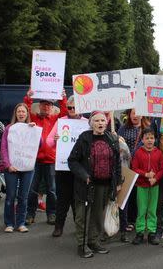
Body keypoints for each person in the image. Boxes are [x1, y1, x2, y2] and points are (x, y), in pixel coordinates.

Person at [67, 112, 122, 258]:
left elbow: (117, 162)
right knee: (83, 216)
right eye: (97, 120)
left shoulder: (111, 138)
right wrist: (84, 175)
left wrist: (117, 182)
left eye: (103, 120)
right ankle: (82, 244)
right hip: (86, 184)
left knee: (98, 215)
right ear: (91, 123)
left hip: (104, 185)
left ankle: (94, 241)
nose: (100, 123)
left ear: (106, 122)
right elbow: (72, 161)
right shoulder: (84, 138)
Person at [23, 90, 68, 225]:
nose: (46, 107)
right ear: (39, 106)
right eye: (43, 104)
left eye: (49, 105)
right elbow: (24, 109)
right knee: (32, 190)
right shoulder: (33, 118)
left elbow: (65, 112)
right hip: (35, 160)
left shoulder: (56, 120)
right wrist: (28, 97)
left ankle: (52, 214)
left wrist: (63, 97)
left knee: (52, 190)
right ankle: (30, 214)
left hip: (51, 161)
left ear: (52, 107)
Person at [47, 95, 87, 237]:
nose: (71, 110)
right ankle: (59, 226)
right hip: (63, 167)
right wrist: (55, 139)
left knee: (79, 200)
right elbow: (48, 141)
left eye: (74, 107)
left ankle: (79, 228)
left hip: (80, 169)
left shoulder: (86, 123)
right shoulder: (61, 121)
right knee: (62, 199)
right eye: (69, 107)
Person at [0, 103, 37, 233]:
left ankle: (21, 223)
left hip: (27, 168)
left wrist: (35, 130)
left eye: (23, 112)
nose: (21, 114)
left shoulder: (32, 128)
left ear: (27, 114)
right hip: (12, 168)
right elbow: (3, 148)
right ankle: (9, 223)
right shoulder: (9, 128)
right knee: (10, 195)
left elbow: (39, 145)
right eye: (19, 111)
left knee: (23, 197)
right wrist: (8, 165)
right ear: (15, 114)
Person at [131, 127, 163, 245]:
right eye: (147, 138)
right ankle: (140, 232)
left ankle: (152, 231)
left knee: (152, 210)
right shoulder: (138, 153)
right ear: (142, 139)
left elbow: (162, 169)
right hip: (141, 185)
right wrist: (146, 174)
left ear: (155, 139)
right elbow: (134, 168)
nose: (150, 140)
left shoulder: (158, 153)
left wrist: (155, 178)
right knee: (141, 209)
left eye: (152, 138)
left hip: (154, 186)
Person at [117, 108, 144, 233]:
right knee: (128, 193)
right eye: (133, 113)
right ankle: (127, 220)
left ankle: (137, 218)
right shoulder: (123, 128)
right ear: (129, 115)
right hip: (126, 166)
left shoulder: (145, 129)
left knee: (139, 193)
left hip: (141, 165)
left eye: (138, 113)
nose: (135, 115)